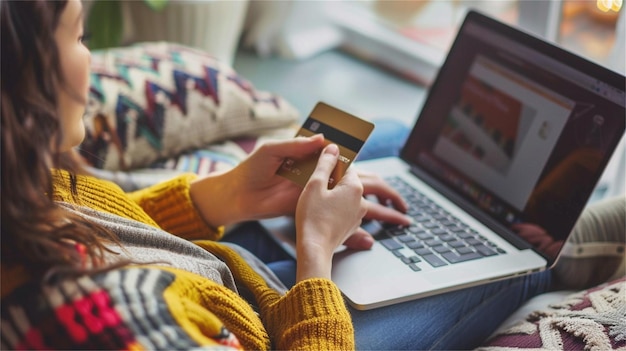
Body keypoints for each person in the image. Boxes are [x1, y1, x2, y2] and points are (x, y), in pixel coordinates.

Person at [0, 1, 552, 349]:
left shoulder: (22, 185)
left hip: (224, 283)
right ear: (20, 80)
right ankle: (569, 248)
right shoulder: (107, 324)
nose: (94, 62)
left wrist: (226, 195)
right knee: (516, 264)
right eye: (78, 36)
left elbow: (115, 232)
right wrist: (316, 255)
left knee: (389, 137)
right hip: (280, 331)